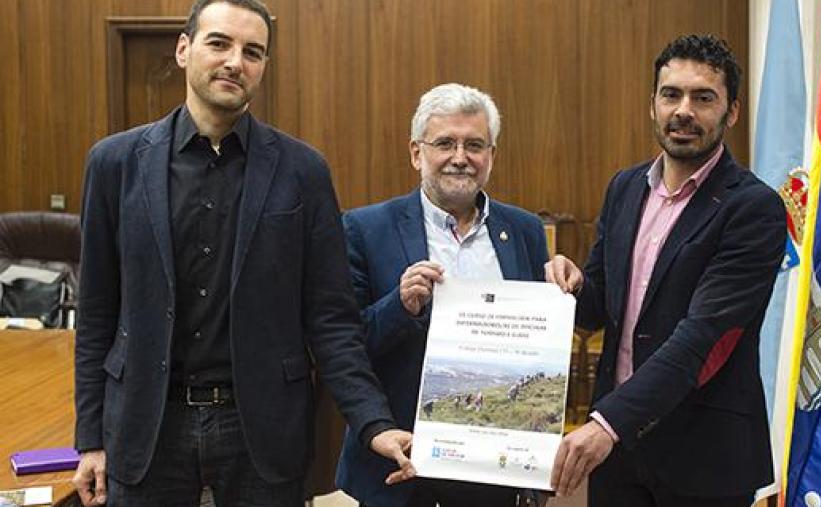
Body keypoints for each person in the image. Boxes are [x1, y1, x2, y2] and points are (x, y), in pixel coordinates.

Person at [71, 1, 414, 505]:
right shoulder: (114, 163)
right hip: (148, 422)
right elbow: (97, 313)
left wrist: (373, 421)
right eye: (219, 43)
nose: (235, 61)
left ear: (263, 68)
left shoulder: (303, 171)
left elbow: (331, 319)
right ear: (184, 50)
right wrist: (91, 438)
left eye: (252, 52)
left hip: (260, 426)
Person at [546, 34, 785, 506]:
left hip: (703, 454)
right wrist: (571, 287)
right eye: (671, 94)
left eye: (703, 98)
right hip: (619, 453)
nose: (684, 111)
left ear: (731, 112)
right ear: (653, 104)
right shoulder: (625, 187)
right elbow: (599, 307)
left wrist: (607, 423)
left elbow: (701, 335)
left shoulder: (754, 208)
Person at [334, 83, 549, 507]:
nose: (460, 157)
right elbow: (343, 346)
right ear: (417, 153)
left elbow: (537, 344)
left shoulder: (524, 231)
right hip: (397, 466)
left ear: (491, 155)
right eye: (445, 143)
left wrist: (565, 288)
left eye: (474, 145)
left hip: (492, 473)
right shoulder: (364, 228)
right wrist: (399, 306)